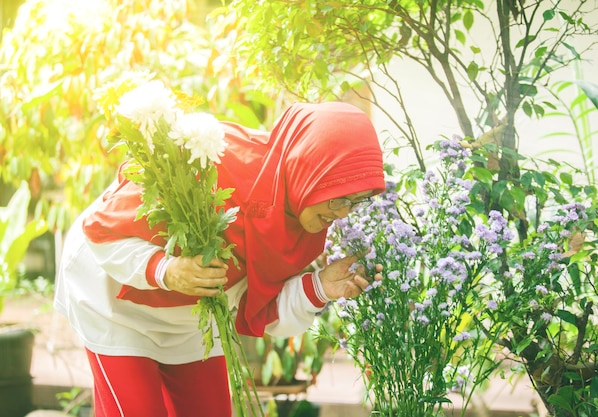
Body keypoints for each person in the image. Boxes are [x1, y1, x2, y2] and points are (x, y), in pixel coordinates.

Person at [54, 101, 386, 417]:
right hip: (114, 303)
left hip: (193, 320)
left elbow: (260, 312)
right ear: (309, 169)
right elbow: (103, 230)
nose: (342, 214)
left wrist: (321, 286)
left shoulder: (305, 221)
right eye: (339, 198)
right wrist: (167, 270)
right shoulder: (212, 158)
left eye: (356, 201)